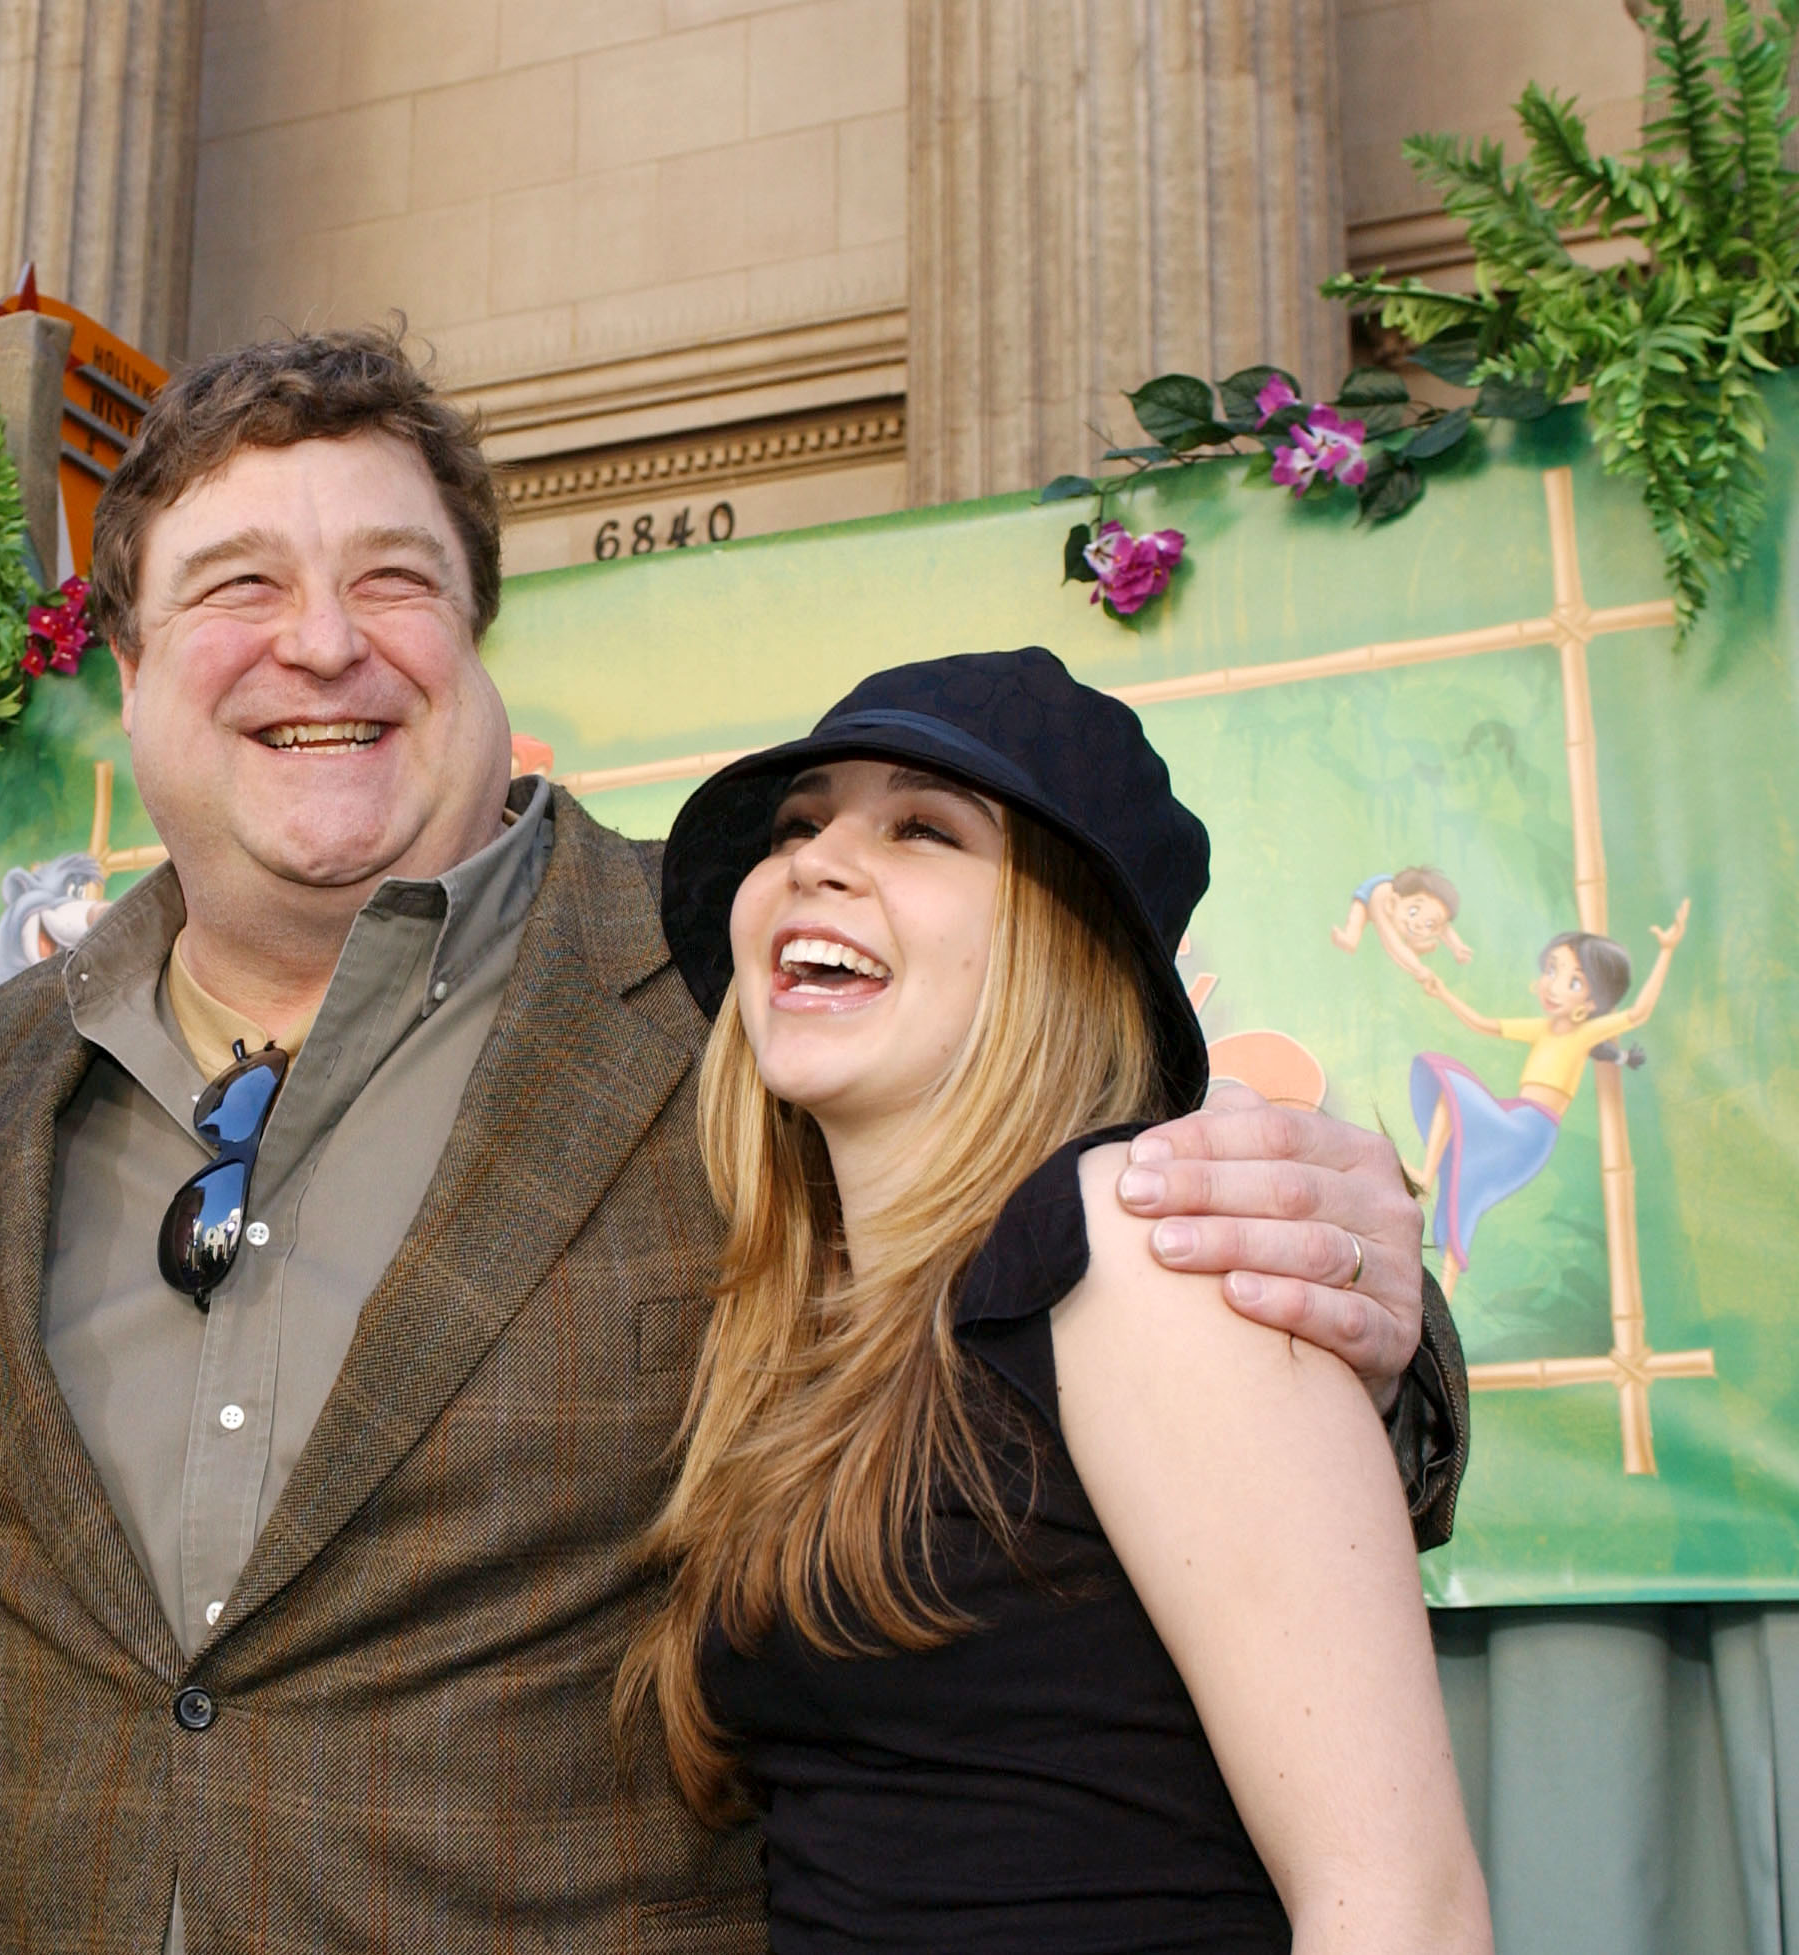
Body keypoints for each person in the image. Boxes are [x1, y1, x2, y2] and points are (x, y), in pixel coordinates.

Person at [0, 329, 1464, 1949]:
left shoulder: (727, 1011)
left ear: (478, 647)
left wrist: (1365, 1287)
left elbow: (1071, 1358)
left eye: (392, 583)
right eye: (233, 588)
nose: (315, 644)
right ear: (125, 675)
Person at [630, 649, 1489, 1950]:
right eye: (800, 823)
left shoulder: (1136, 1238)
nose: (815, 856)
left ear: (1062, 949)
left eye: (923, 827)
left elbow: (1399, 1906)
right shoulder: (820, 1323)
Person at [1411, 909, 1689, 1284]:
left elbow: (1638, 1012)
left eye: (1574, 982)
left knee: (1456, 1096)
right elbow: (1482, 1023)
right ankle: (1431, 1199)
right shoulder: (1541, 1029)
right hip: (1513, 1116)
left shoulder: (1584, 1033)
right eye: (1552, 971)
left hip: (1531, 1129)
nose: (1554, 986)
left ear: (1590, 1004)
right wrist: (1443, 992)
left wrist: (1668, 951)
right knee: (1464, 1185)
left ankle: (1429, 1184)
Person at [1333, 864, 1474, 977]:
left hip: (1401, 901)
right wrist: (1418, 969)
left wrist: (1457, 947)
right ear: (1393, 904)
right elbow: (1393, 946)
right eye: (1413, 912)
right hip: (1369, 897)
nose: (1420, 923)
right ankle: (1350, 938)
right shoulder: (1382, 903)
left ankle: (1414, 946)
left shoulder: (1416, 914)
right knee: (1358, 916)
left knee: (1416, 927)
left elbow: (1444, 927)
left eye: (1430, 924)